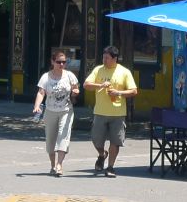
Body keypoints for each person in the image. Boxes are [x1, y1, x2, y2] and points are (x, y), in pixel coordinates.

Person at [84, 45, 138, 177]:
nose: (104, 60)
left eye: (107, 58)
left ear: (115, 59)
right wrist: (100, 85)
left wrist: (118, 92)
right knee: (96, 139)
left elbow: (134, 91)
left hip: (118, 113)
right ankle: (102, 154)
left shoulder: (124, 72)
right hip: (100, 112)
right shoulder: (98, 70)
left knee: (115, 141)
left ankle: (110, 167)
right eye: (103, 57)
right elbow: (86, 85)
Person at [32, 49, 79, 177]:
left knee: (63, 136)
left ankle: (59, 165)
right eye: (59, 62)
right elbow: (41, 92)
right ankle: (52, 165)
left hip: (66, 111)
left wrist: (75, 92)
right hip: (50, 111)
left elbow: (76, 88)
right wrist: (37, 106)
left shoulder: (70, 75)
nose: (61, 64)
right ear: (52, 62)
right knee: (50, 141)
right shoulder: (46, 77)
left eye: (64, 62)